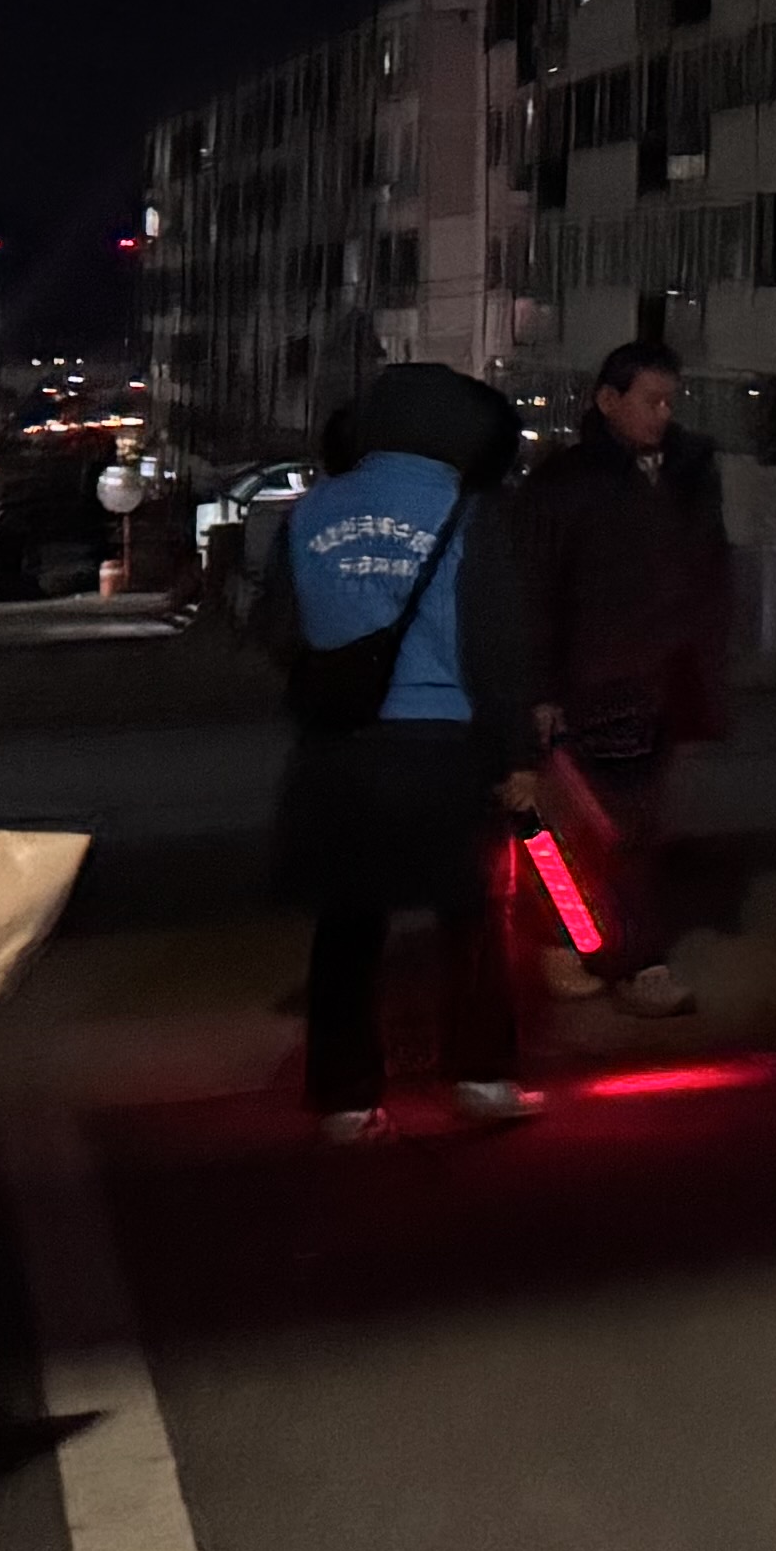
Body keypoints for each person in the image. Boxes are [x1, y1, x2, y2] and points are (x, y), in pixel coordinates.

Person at [263, 360, 534, 1141]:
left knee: (348, 923)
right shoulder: (469, 510)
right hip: (445, 743)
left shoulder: (312, 509)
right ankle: (481, 1076)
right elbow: (497, 644)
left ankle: (346, 1099)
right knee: (473, 915)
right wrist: (517, 754)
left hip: (342, 749)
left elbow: (279, 630)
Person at [499, 340, 740, 1015]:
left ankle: (594, 951)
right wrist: (540, 691)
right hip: (592, 684)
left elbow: (708, 575)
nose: (663, 414)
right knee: (582, 833)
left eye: (670, 401)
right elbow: (536, 593)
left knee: (622, 829)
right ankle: (610, 955)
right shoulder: (566, 485)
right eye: (651, 400)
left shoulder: (687, 474)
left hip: (660, 681)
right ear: (609, 400)